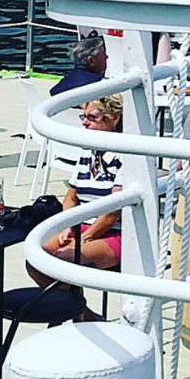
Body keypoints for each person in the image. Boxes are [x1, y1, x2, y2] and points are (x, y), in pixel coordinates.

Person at [26, 95, 121, 319]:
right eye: (83, 116)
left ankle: (78, 316)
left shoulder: (124, 153)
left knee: (61, 260)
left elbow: (113, 212)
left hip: (116, 234)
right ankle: (83, 315)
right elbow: (71, 197)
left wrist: (85, 237)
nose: (84, 122)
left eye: (92, 117)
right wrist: (68, 226)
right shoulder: (89, 150)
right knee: (36, 261)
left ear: (114, 118)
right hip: (84, 227)